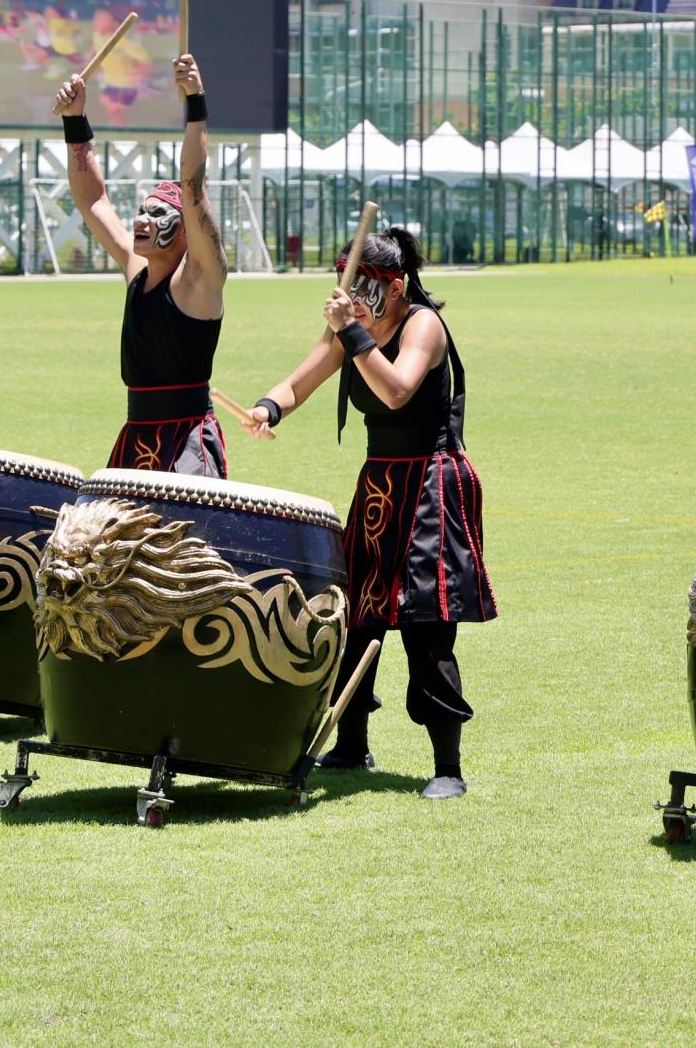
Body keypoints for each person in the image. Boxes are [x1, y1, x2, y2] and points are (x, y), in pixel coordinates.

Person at [241, 226, 490, 800]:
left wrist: (352, 332)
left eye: (363, 288)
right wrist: (268, 407)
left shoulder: (422, 323)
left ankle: (447, 767)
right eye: (346, 286)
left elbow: (398, 390)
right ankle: (351, 743)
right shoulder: (350, 332)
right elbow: (301, 380)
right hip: (380, 483)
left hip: (432, 483)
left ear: (395, 286)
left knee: (426, 624)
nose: (350, 298)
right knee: (357, 615)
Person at [56, 53, 228, 477]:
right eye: (141, 211)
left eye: (156, 215)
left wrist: (195, 101)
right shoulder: (137, 270)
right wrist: (75, 122)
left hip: (187, 442)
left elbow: (193, 185)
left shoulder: (199, 280)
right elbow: (93, 200)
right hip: (136, 433)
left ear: (186, 229)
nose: (140, 221)